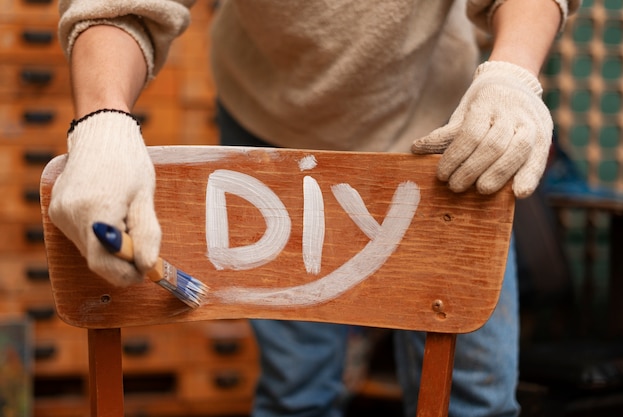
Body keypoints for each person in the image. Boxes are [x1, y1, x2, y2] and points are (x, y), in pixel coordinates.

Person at [49, 0, 579, 416]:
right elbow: (119, 6)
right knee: (296, 393)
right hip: (268, 122)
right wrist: (101, 121)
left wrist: (513, 75)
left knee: (475, 399)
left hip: (442, 133)